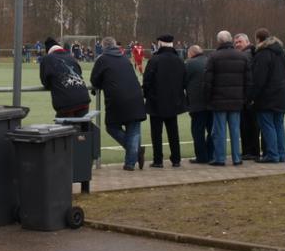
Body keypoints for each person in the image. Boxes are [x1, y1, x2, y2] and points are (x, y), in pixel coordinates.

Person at [91, 37, 146, 171]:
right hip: (136, 97)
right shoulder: (124, 59)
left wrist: (97, 86)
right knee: (133, 129)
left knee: (112, 127)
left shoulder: (102, 60)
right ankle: (130, 162)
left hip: (117, 99)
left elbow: (94, 79)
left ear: (103, 47)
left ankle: (136, 152)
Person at [204, 31, 251, 166]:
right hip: (236, 100)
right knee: (235, 131)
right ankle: (237, 158)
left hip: (218, 101)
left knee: (219, 131)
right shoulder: (242, 57)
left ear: (219, 41)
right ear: (231, 40)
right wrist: (245, 98)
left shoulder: (213, 57)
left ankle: (220, 158)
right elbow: (248, 80)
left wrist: (207, 99)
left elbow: (207, 81)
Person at [142, 34, 186, 168]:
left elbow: (147, 81)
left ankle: (158, 160)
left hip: (156, 101)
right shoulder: (179, 60)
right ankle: (176, 159)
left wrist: (147, 95)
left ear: (160, 44)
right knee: (173, 132)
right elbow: (184, 80)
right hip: (174, 101)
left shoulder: (155, 60)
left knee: (156, 133)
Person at [251, 28, 285, 163]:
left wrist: (252, 97)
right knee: (279, 125)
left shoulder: (262, 54)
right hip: (280, 96)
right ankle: (281, 154)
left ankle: (272, 154)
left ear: (258, 39)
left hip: (267, 98)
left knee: (268, 126)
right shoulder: (281, 54)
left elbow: (259, 80)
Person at [40, 37, 90, 117]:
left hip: (66, 103)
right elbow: (79, 72)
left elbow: (45, 82)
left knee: (64, 128)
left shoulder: (47, 59)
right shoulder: (71, 57)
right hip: (84, 99)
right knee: (82, 128)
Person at [234, 33, 261, 160]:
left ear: (247, 42)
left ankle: (249, 152)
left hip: (247, 97)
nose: (237, 44)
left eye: (239, 42)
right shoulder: (253, 54)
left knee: (247, 125)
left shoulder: (246, 56)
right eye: (236, 42)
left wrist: (247, 97)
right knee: (252, 125)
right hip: (251, 96)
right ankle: (253, 151)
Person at [185, 45, 214, 164]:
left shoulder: (189, 64)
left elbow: (183, 81)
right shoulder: (210, 60)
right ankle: (211, 153)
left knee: (198, 131)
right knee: (212, 130)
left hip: (196, 103)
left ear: (191, 53)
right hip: (212, 102)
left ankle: (201, 156)